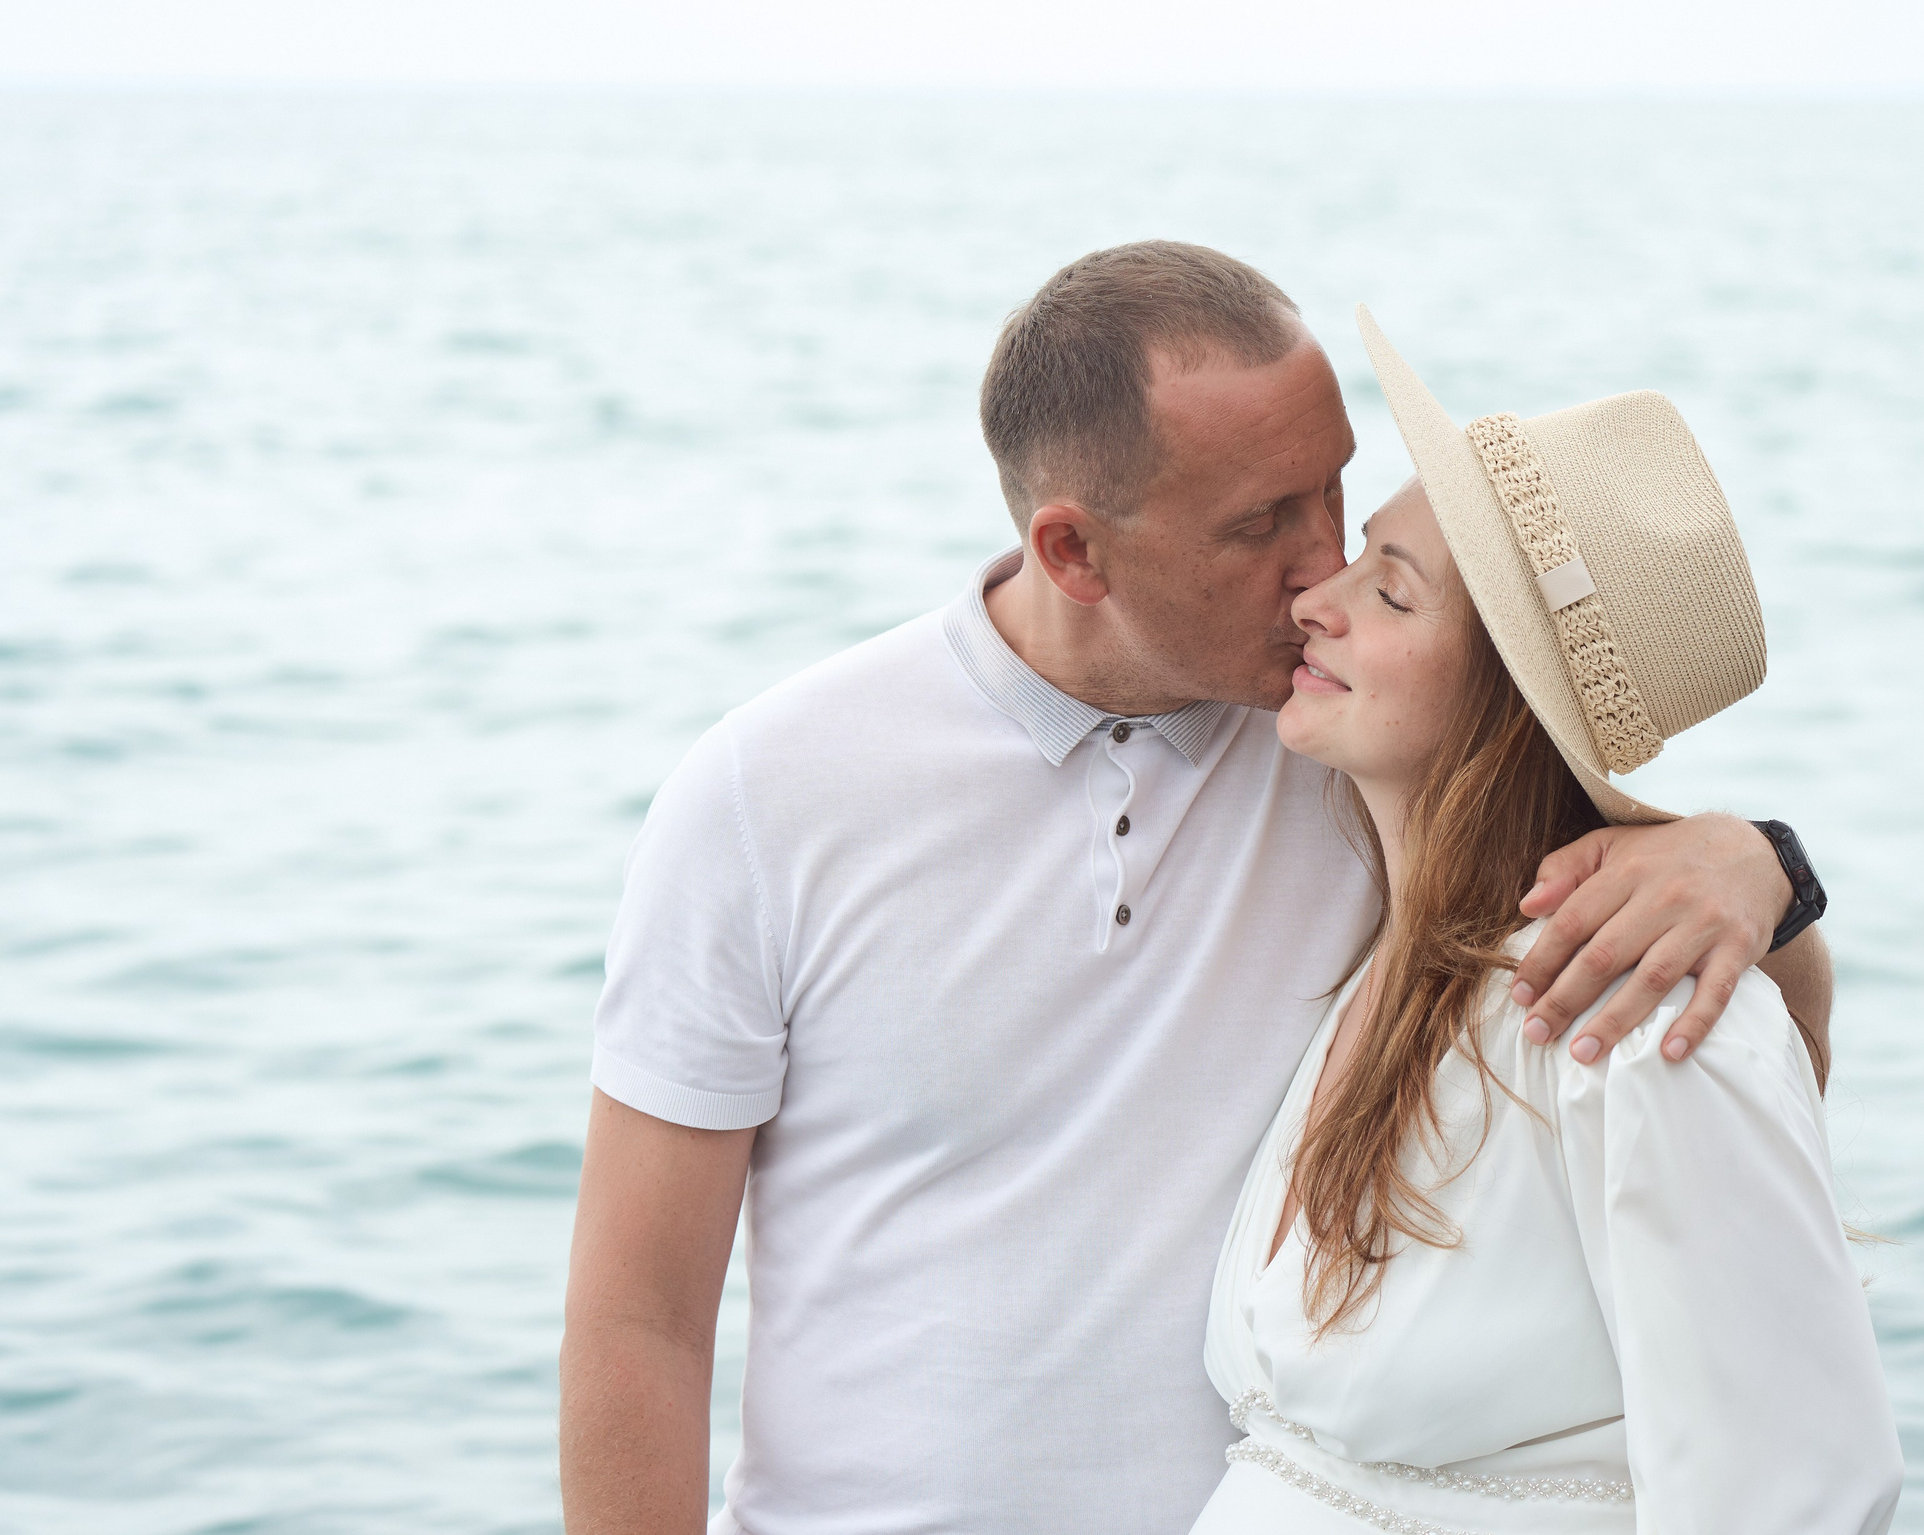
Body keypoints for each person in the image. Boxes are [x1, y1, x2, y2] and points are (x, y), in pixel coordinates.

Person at [558, 244, 1840, 1535]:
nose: (1321, 568)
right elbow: (640, 1318)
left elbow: (1689, 980)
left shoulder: (1348, 746)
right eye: (1259, 523)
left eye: (1333, 493)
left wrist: (1757, 860)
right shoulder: (765, 793)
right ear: (1073, 550)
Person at [1190, 311, 1899, 1534]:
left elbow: (1792, 1497)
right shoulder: (1388, 960)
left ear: (1506, 704)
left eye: (1391, 593)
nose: (1318, 599)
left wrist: (1762, 866)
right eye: (1359, 557)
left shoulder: (1630, 1015)